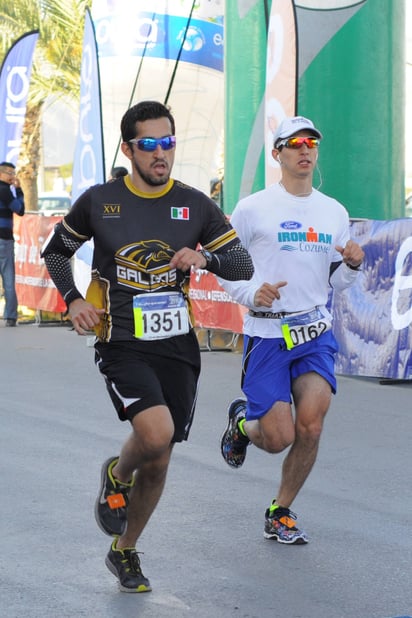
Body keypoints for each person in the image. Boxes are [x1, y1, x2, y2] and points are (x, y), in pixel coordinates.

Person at [41, 100, 254, 592]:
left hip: (178, 346)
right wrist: (72, 300)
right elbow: (56, 251)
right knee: (154, 434)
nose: (162, 154)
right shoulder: (100, 201)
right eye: (150, 144)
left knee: (159, 458)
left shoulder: (196, 203)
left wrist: (203, 258)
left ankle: (125, 549)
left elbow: (241, 264)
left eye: (169, 143)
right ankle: (117, 474)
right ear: (128, 148)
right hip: (121, 342)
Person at [219, 116, 364, 545]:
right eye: (295, 143)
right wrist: (251, 293)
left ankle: (280, 510)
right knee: (278, 437)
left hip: (314, 330)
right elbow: (226, 268)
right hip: (266, 334)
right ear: (277, 153)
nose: (305, 150)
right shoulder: (252, 209)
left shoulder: (333, 211)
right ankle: (242, 424)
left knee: (312, 426)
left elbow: (336, 281)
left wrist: (352, 265)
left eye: (312, 143)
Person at [0, 162, 25, 327]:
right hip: (3, 239)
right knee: (8, 278)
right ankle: (10, 316)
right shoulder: (4, 191)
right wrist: (19, 190)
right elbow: (20, 209)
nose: (13, 176)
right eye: (10, 172)